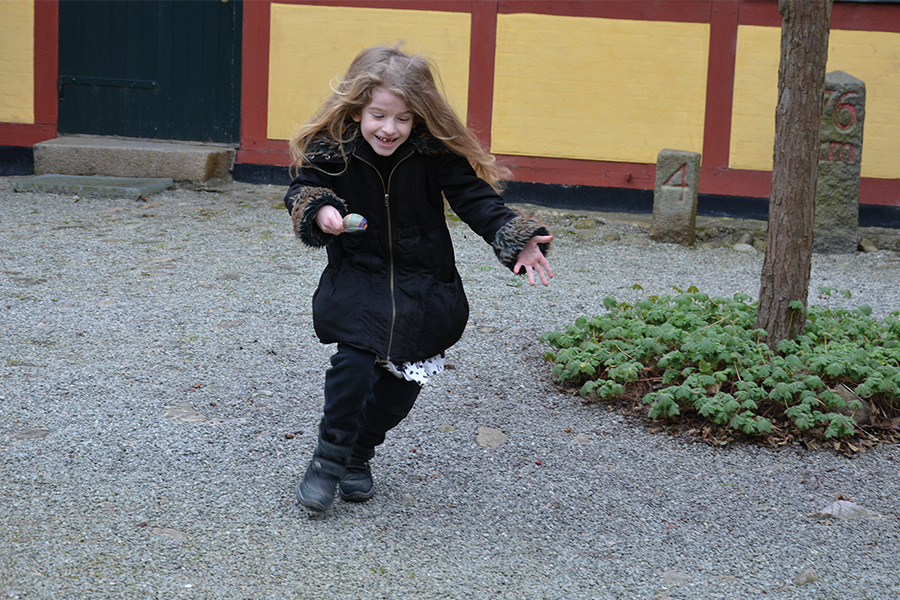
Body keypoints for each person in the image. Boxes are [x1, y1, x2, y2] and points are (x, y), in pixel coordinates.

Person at [284, 45, 553, 512]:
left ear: (419, 118)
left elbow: (475, 199)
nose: (389, 129)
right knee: (352, 364)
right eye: (378, 116)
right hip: (358, 274)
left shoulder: (433, 154)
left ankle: (358, 453)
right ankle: (328, 461)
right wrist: (321, 208)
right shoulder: (335, 149)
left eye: (403, 119)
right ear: (358, 108)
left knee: (402, 385)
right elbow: (303, 187)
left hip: (424, 280)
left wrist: (513, 235)